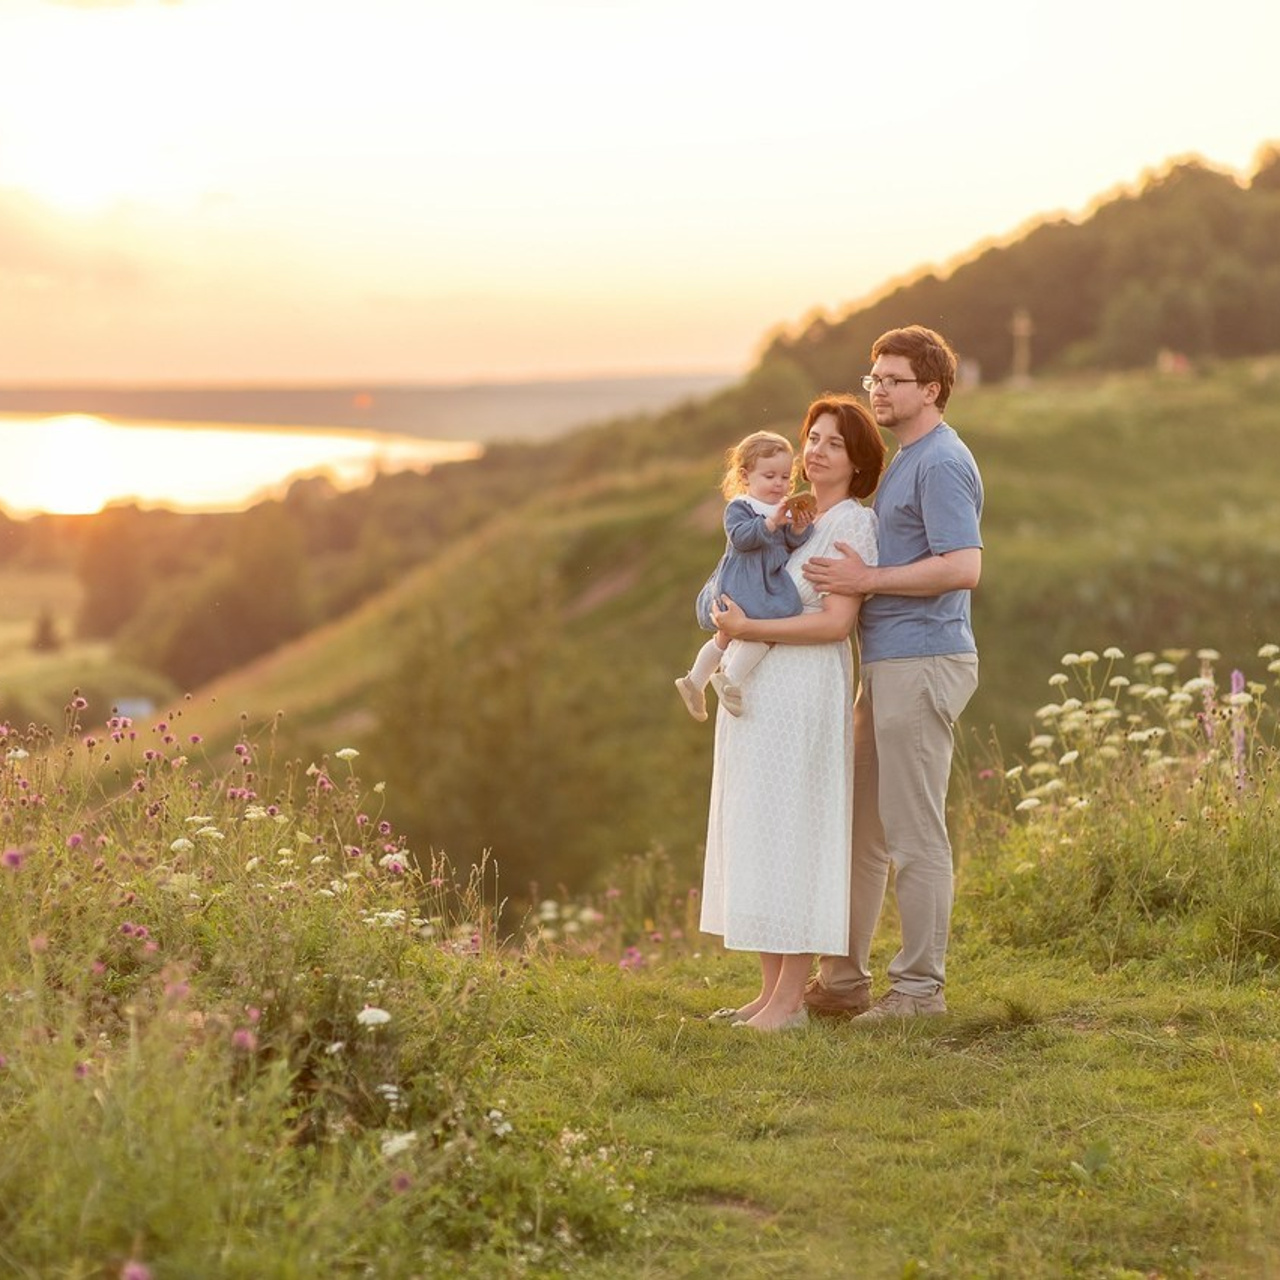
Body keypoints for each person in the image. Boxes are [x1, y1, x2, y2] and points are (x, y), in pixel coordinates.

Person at [802, 325, 983, 1021]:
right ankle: (843, 982)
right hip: (886, 665)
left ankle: (918, 992)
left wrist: (867, 577)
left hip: (924, 659)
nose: (876, 388)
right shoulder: (909, 458)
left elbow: (964, 566)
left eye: (891, 379)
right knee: (862, 832)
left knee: (913, 833)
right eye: (872, 376)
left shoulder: (941, 461)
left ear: (930, 390)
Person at [701, 395, 886, 1031]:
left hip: (805, 688)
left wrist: (748, 622)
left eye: (834, 442)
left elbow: (836, 624)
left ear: (857, 460)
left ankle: (790, 1002)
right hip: (756, 691)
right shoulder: (783, 514)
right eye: (813, 437)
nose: (816, 450)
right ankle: (767, 989)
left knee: (795, 830)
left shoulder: (852, 525)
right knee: (756, 827)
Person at [675, 430, 814, 722]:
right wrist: (771, 522)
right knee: (766, 624)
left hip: (766, 581)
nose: (779, 483)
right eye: (770, 476)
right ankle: (731, 679)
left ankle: (694, 682)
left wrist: (798, 528)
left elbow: (790, 544)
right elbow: (741, 538)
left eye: (785, 477)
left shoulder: (782, 508)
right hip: (743, 581)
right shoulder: (741, 506)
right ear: (745, 475)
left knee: (729, 635)